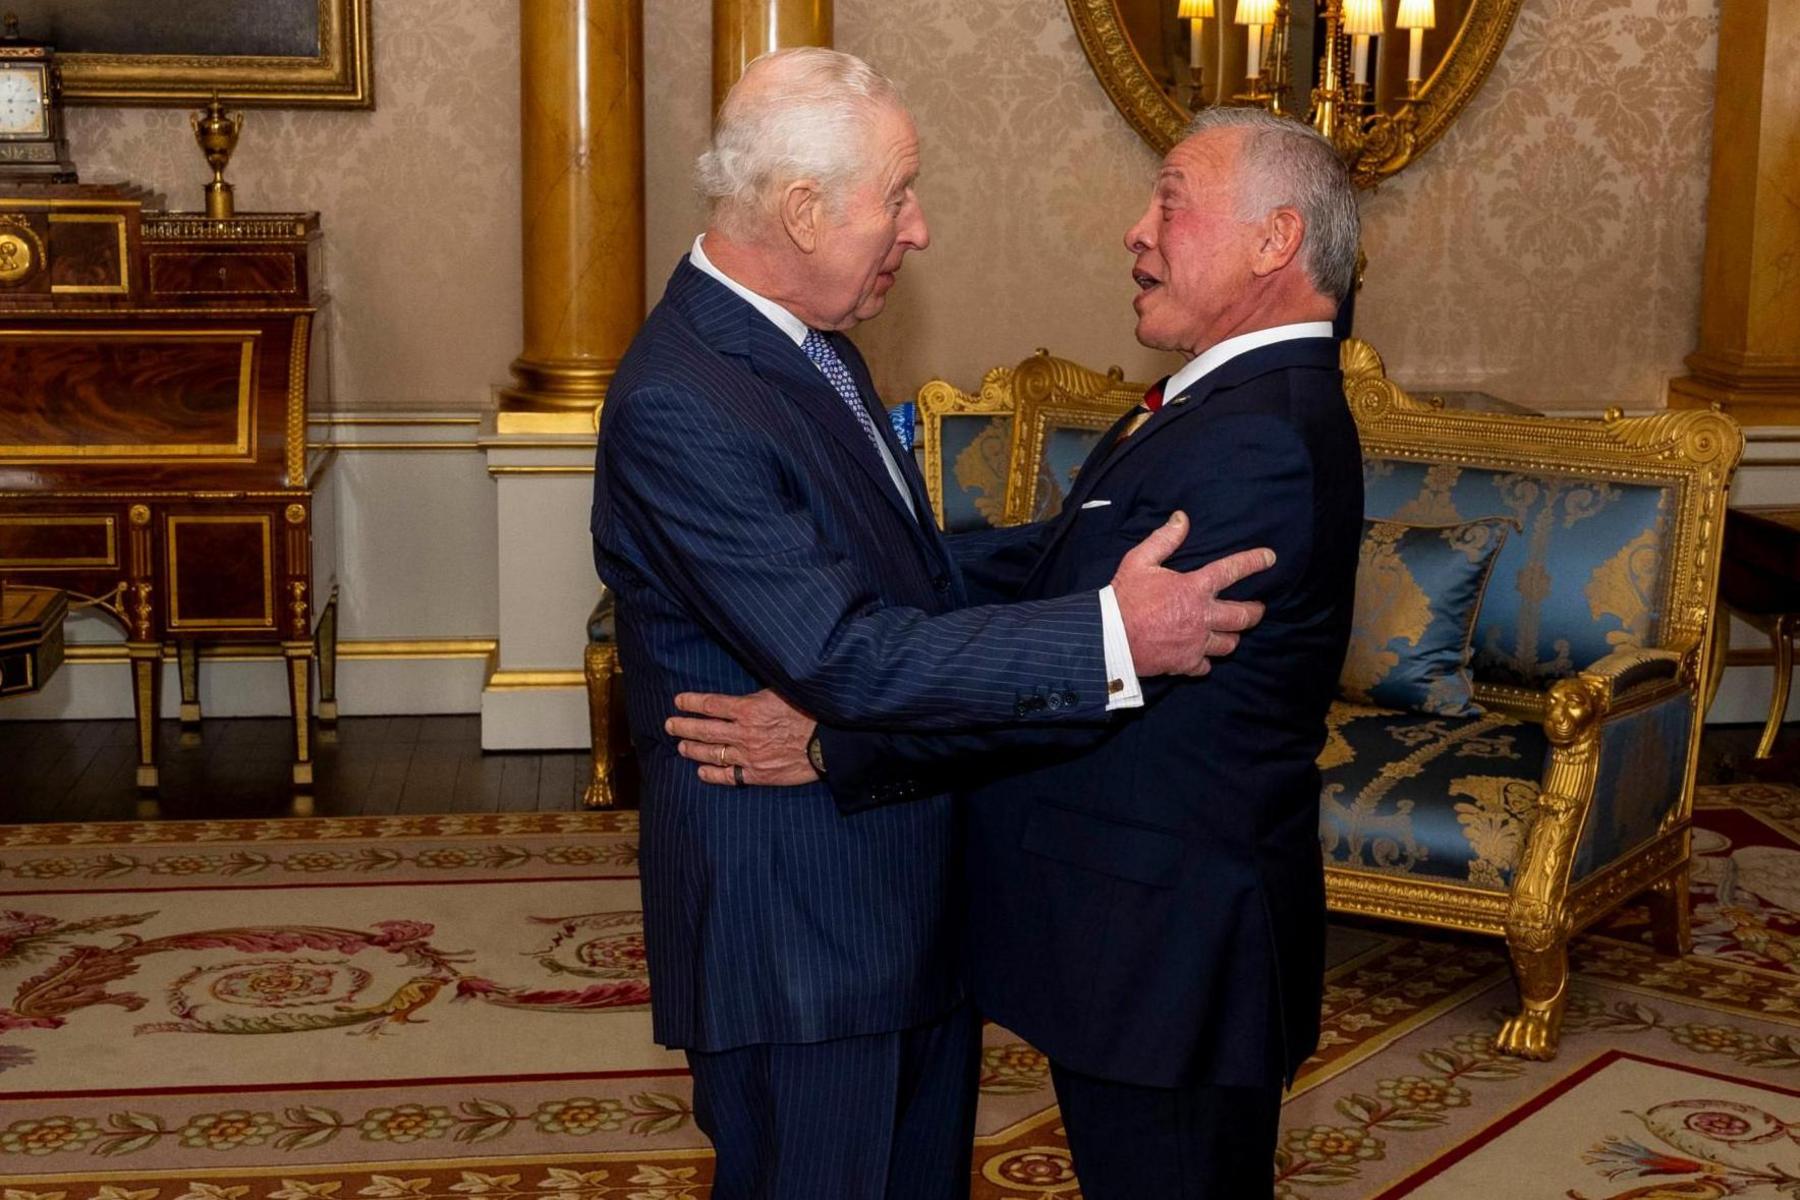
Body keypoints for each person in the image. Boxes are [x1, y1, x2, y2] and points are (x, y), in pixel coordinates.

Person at [591, 50, 1277, 1200]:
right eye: (898, 195)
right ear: (805, 212)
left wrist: (1087, 547)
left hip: (894, 907)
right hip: (803, 932)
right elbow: (845, 655)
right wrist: (1105, 635)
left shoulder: (810, 349)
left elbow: (899, 573)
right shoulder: (683, 398)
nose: (918, 229)